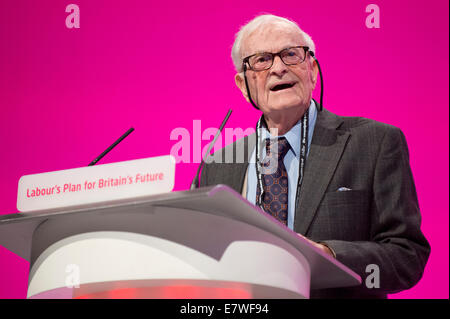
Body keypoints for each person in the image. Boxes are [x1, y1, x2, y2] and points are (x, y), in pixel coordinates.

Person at [200, 14, 430, 298]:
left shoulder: (374, 142)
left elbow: (407, 256)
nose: (279, 68)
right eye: (261, 60)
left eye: (290, 54)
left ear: (312, 70)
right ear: (243, 85)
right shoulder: (218, 164)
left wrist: (328, 255)